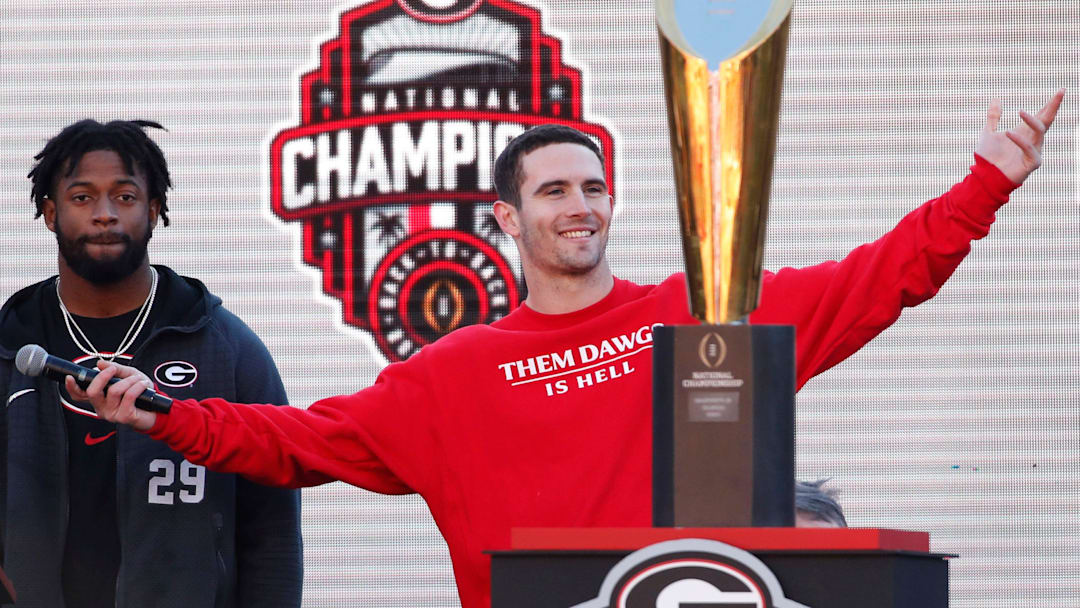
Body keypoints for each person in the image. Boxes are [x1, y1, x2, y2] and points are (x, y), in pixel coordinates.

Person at [78, 91, 1063, 608]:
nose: (580, 204)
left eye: (592, 186)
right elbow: (295, 440)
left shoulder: (700, 320)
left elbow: (880, 277)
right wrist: (159, 411)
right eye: (553, 190)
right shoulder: (450, 376)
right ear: (508, 215)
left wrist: (987, 183)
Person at [0, 119, 303, 607]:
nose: (104, 215)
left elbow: (272, 531)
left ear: (154, 209)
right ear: (51, 213)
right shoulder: (12, 344)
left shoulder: (226, 347)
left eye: (124, 197)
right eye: (82, 198)